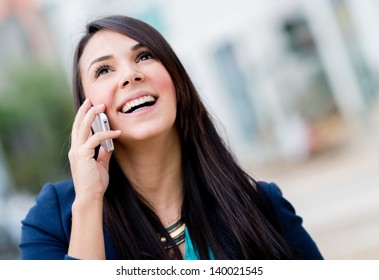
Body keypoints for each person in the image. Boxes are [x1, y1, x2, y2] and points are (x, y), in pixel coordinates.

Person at [19, 15, 323, 260]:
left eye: (145, 56)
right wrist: (89, 199)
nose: (129, 74)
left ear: (176, 81)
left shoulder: (261, 205)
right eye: (104, 70)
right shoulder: (52, 219)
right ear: (87, 108)